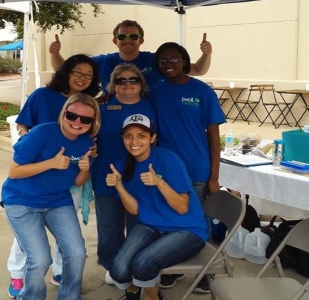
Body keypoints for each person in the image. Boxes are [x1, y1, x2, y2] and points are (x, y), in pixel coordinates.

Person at [7, 54, 101, 299]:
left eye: (85, 119)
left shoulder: (86, 142)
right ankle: (30, 294)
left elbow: (79, 181)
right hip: (23, 200)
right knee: (39, 258)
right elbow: (14, 171)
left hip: (57, 199)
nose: (78, 121)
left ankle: (70, 295)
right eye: (72, 116)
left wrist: (84, 167)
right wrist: (49, 162)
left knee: (77, 253)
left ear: (93, 122)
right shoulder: (41, 130)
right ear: (63, 114)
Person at [148, 42, 226, 293]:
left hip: (197, 169)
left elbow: (214, 136)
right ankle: (176, 267)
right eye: (163, 61)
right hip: (167, 171)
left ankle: (205, 273)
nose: (168, 64)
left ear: (184, 61)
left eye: (174, 59)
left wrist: (215, 177)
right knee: (172, 221)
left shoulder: (202, 91)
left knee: (199, 223)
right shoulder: (156, 92)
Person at [105, 114, 208, 300]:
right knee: (119, 269)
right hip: (150, 225)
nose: (134, 141)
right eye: (128, 136)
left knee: (142, 264)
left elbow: (182, 208)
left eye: (141, 135)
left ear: (152, 138)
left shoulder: (168, 160)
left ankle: (151, 297)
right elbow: (134, 210)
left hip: (187, 230)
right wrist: (119, 186)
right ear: (122, 139)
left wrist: (159, 182)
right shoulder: (123, 165)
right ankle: (134, 291)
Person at [90, 64, 157, 283]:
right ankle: (112, 266)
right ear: (112, 85)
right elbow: (85, 132)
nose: (127, 84)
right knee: (109, 226)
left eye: (133, 80)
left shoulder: (151, 106)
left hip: (140, 177)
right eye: (121, 80)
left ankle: (137, 264)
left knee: (139, 225)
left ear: (141, 84)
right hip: (106, 174)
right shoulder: (102, 105)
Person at [49, 20, 212, 92]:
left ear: (141, 40)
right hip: (113, 115)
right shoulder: (103, 61)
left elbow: (198, 70)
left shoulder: (155, 60)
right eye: (122, 37)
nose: (128, 40)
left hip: (149, 117)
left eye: (133, 36)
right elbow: (63, 69)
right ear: (115, 40)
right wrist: (54, 53)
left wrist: (206, 53)